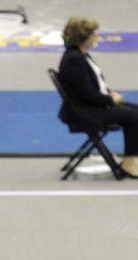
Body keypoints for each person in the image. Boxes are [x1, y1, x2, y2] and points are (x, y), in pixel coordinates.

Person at [59, 17, 138, 178]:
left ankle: (132, 157)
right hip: (84, 113)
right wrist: (110, 100)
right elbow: (87, 94)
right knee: (133, 115)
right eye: (93, 34)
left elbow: (94, 84)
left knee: (135, 110)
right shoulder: (74, 60)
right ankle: (130, 162)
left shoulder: (82, 55)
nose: (97, 37)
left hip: (91, 106)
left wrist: (109, 93)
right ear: (84, 37)